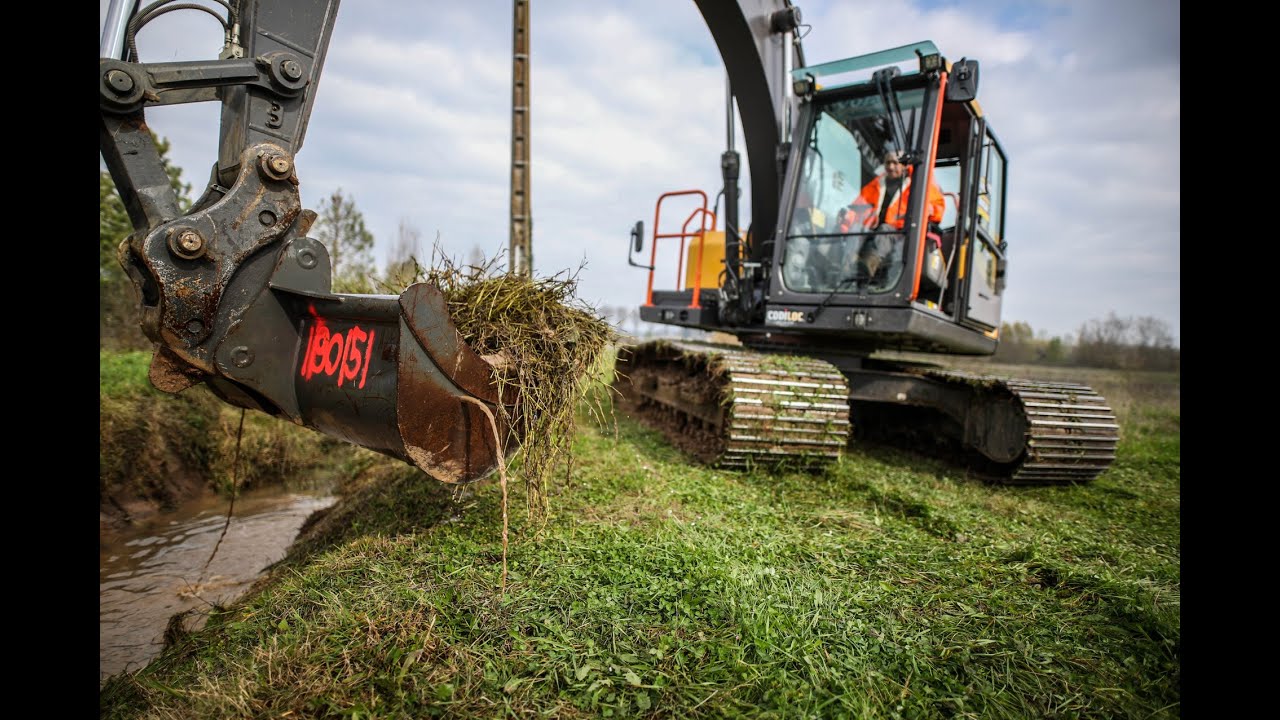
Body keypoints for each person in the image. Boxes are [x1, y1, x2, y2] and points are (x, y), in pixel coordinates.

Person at [837, 150, 946, 281]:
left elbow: (937, 206)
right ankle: (845, 273)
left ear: (904, 165)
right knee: (855, 230)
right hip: (872, 230)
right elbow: (856, 209)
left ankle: (866, 268)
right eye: (888, 163)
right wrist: (845, 223)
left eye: (895, 163)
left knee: (885, 230)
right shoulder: (875, 185)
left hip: (902, 232)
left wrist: (930, 210)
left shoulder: (919, 184)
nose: (890, 167)